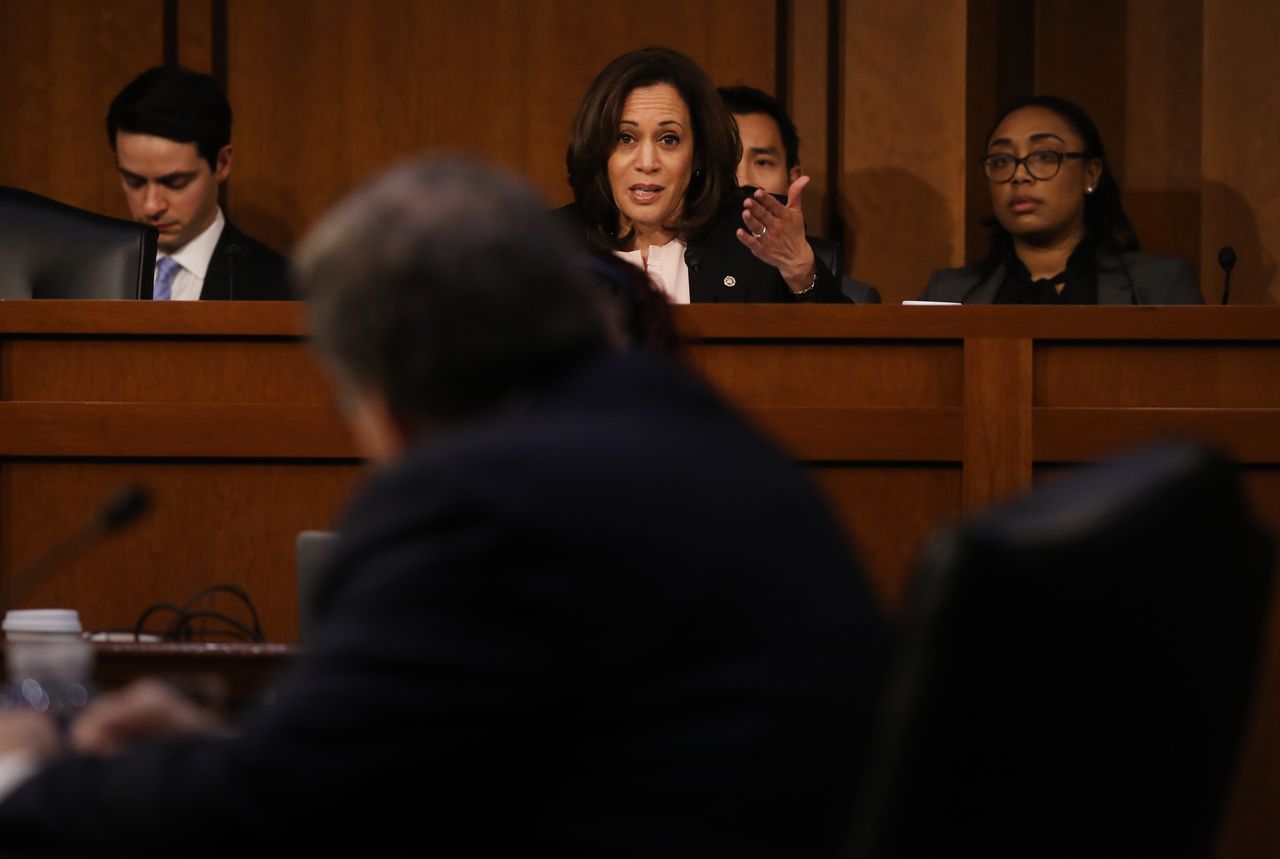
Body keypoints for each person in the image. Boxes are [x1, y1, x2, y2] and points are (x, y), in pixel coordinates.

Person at [0, 158, 886, 857]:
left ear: (385, 397)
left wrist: (33, 771)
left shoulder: (480, 494)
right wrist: (221, 741)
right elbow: (438, 748)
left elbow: (294, 804)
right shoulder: (701, 432)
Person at [563, 47, 847, 303]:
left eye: (669, 139)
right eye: (626, 138)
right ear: (599, 148)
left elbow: (850, 353)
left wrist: (799, 270)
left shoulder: (751, 239)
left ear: (698, 153)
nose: (647, 162)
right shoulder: (550, 246)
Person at [921, 95, 1202, 304]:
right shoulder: (948, 293)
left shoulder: (1159, 285)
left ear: (1090, 174)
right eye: (1002, 160)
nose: (1019, 175)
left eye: (1044, 156)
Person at [107, 66, 290, 301]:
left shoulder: (283, 286)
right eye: (134, 181)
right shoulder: (89, 275)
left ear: (222, 163)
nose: (151, 206)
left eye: (175, 182)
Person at [718, 84, 880, 304]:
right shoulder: (669, 263)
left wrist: (801, 272)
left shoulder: (857, 297)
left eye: (763, 162)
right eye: (727, 160)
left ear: (793, 178)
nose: (743, 180)